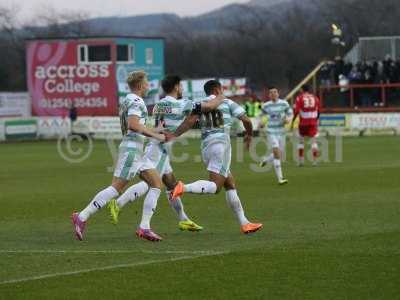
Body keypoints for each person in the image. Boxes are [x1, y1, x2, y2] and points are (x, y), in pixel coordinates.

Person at [107, 75, 225, 232]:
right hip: (159, 149)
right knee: (152, 184)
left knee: (171, 185)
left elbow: (176, 121)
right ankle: (120, 205)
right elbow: (209, 106)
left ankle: (183, 219)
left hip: (156, 146)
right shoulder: (180, 104)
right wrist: (221, 96)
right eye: (181, 86)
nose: (182, 89)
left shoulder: (159, 104)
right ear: (176, 87)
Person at [71, 71, 166, 242]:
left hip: (136, 149)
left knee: (156, 184)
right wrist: (156, 135)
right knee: (115, 188)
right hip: (132, 150)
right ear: (139, 85)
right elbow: (134, 125)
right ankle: (82, 216)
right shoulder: (136, 101)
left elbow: (136, 125)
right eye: (146, 82)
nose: (148, 85)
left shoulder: (127, 100)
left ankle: (144, 227)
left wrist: (155, 130)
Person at [166, 80, 262, 235]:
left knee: (229, 183)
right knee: (215, 187)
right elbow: (246, 120)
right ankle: (183, 187)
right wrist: (249, 135)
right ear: (218, 89)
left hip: (205, 148)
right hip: (221, 145)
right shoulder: (226, 101)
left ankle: (245, 223)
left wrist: (174, 134)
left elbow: (190, 122)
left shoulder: (200, 104)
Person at [258, 87, 292, 185]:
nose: (273, 94)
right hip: (271, 131)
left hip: (281, 131)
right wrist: (261, 123)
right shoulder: (266, 106)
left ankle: (266, 159)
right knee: (277, 153)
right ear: (269, 95)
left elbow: (290, 114)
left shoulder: (284, 103)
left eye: (275, 92)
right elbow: (260, 116)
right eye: (271, 92)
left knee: (279, 153)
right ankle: (280, 179)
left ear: (278, 93)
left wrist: (288, 120)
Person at [291, 84, 321, 166]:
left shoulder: (299, 98)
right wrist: (316, 120)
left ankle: (301, 161)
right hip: (313, 122)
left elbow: (296, 111)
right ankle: (314, 161)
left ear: (302, 89)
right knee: (313, 142)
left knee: (301, 141)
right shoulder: (315, 98)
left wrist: (293, 120)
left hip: (303, 123)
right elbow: (318, 111)